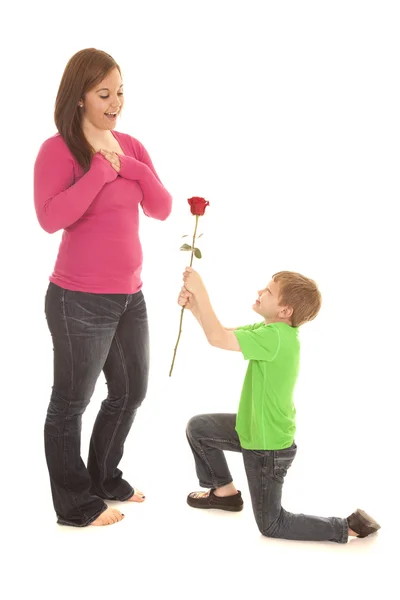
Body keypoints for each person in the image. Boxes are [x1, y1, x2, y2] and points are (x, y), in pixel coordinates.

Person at [34, 48, 172, 527]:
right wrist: (96, 173)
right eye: (104, 94)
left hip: (130, 296)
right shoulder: (59, 150)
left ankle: (104, 477)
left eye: (120, 92)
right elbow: (50, 219)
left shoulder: (131, 146)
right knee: (70, 402)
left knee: (130, 392)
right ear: (79, 98)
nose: (116, 102)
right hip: (78, 301)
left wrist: (130, 168)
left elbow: (161, 207)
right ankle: (75, 505)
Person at [179, 267, 380, 542]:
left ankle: (346, 527)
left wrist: (201, 290)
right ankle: (224, 493)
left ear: (285, 311)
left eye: (269, 291)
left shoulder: (273, 338)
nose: (260, 292)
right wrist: (195, 308)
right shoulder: (269, 330)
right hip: (253, 429)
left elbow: (218, 339)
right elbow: (223, 331)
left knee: (272, 525)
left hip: (267, 448)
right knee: (199, 428)